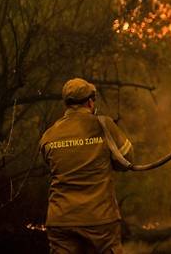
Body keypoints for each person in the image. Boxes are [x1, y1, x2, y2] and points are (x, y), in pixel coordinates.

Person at [40, 78, 133, 254]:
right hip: (100, 220)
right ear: (90, 102)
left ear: (66, 104)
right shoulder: (104, 125)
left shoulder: (49, 135)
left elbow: (51, 165)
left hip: (61, 220)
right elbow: (127, 159)